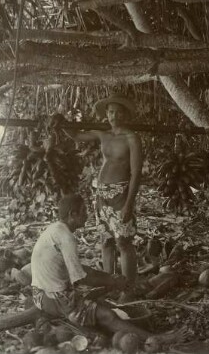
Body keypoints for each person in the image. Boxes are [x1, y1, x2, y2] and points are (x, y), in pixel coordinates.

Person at [31, 194, 184, 346]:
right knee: (108, 315)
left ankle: (94, 325)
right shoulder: (66, 238)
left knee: (100, 300)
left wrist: (111, 279)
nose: (87, 214)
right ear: (73, 214)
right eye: (84, 210)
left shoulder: (55, 230)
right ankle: (156, 339)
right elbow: (82, 278)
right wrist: (114, 281)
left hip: (39, 294)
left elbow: (81, 270)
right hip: (52, 298)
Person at [51, 94, 142, 302]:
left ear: (125, 115)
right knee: (106, 241)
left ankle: (128, 289)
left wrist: (129, 203)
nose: (114, 115)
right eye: (110, 111)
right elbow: (76, 136)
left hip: (121, 194)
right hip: (101, 194)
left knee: (124, 243)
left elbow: (136, 174)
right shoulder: (103, 135)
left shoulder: (132, 138)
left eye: (119, 112)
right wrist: (60, 123)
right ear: (106, 114)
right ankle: (111, 284)